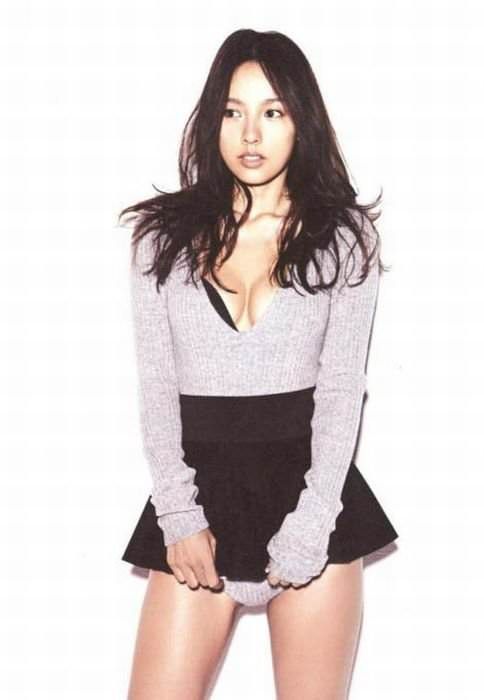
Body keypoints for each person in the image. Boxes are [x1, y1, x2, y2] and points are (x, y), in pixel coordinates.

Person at [119, 28, 398, 700]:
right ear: (211, 120)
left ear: (301, 121)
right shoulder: (161, 239)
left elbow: (341, 389)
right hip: (200, 508)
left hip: (311, 507)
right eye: (233, 111)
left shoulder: (344, 238)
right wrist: (178, 515)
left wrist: (314, 522)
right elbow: (157, 386)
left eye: (273, 111)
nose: (251, 134)